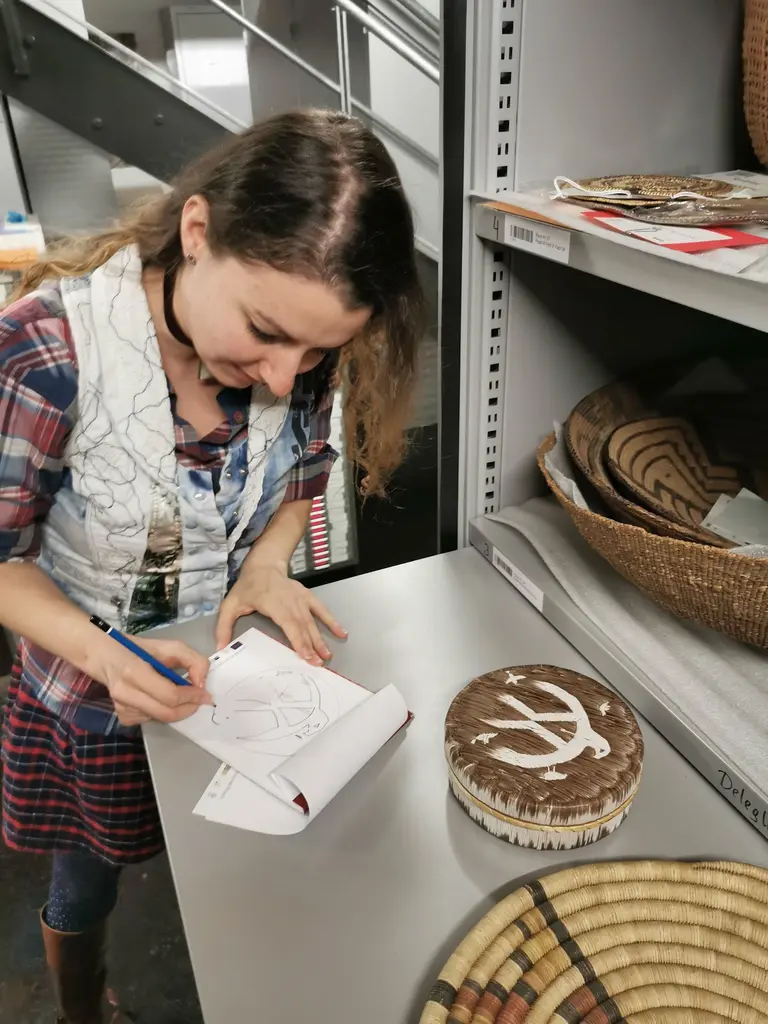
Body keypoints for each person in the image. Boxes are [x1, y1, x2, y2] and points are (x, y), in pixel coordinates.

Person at [0, 108, 423, 1023]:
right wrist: (109, 655)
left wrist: (269, 566)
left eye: (318, 351)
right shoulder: (47, 354)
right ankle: (81, 1004)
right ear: (197, 233)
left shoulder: (297, 359)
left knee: (232, 869)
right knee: (88, 881)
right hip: (89, 703)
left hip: (227, 697)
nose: (285, 377)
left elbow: (303, 480)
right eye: (267, 333)